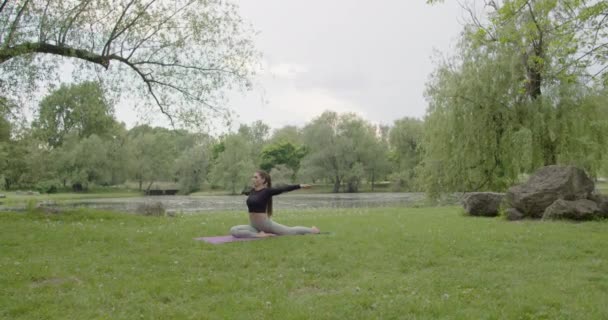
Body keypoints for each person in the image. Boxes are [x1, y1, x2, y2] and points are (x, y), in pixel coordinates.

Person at [230, 170, 320, 238]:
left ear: (263, 180)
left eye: (256, 177)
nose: (253, 179)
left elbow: (283, 188)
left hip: (266, 225)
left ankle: (312, 230)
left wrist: (299, 186)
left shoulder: (267, 191)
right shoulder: (252, 191)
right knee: (234, 230)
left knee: (290, 231)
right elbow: (245, 192)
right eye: (253, 177)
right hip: (254, 226)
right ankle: (259, 235)